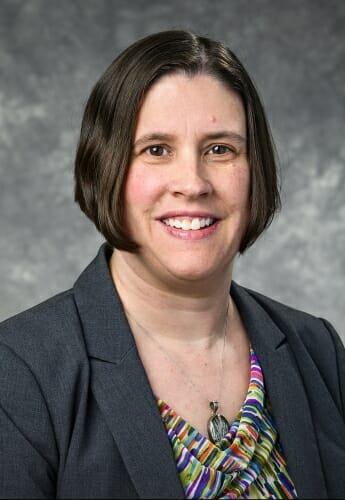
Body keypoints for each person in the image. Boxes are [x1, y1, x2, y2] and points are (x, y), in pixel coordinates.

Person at [0, 29, 344, 500]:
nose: (192, 182)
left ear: (254, 168)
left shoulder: (320, 351)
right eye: (156, 150)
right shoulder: (18, 372)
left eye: (220, 149)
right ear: (106, 167)